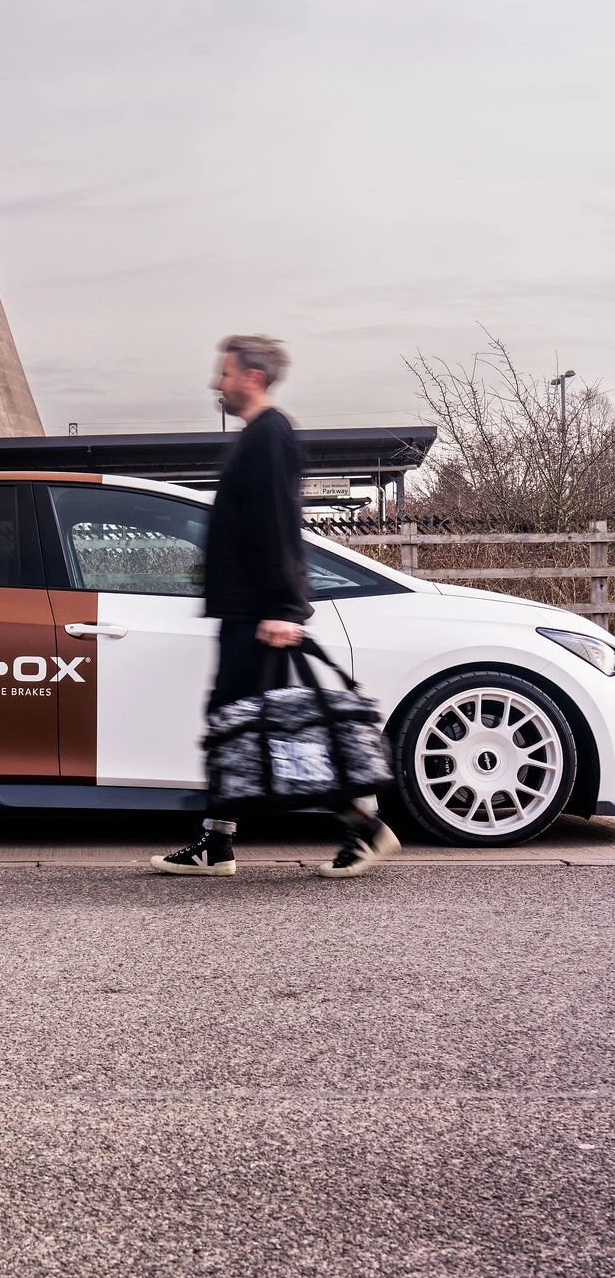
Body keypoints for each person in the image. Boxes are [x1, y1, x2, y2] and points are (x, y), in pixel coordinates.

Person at [150, 334, 400, 880]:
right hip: (245, 612)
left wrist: (286, 608)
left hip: (261, 616)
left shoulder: (271, 435)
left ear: (253, 377)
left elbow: (281, 525)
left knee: (269, 730)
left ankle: (364, 827)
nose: (217, 383)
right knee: (239, 727)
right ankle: (216, 845)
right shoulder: (257, 437)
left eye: (226, 373)